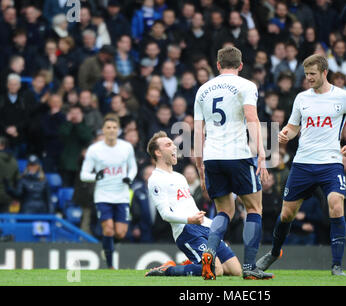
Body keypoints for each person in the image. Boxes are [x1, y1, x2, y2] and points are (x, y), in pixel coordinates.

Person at [256, 54, 346, 276]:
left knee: (336, 204)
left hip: (331, 163)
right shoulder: (301, 98)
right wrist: (285, 134)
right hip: (303, 164)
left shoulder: (343, 97)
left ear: (324, 73)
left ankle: (337, 265)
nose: (308, 78)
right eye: (307, 74)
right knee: (287, 214)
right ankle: (274, 252)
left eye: (312, 74)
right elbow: (293, 126)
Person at [193, 46, 270, 280]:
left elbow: (197, 131)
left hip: (212, 157)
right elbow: (251, 118)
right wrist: (261, 153)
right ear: (240, 65)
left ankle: (209, 253)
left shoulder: (203, 90)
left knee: (224, 210)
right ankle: (249, 268)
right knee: (254, 208)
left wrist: (200, 166)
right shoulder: (246, 86)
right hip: (237, 154)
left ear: (217, 65)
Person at [145, 131, 242, 278]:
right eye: (168, 145)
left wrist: (209, 223)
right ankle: (168, 270)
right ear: (158, 152)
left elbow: (189, 206)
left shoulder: (180, 177)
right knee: (216, 270)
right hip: (186, 230)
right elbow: (165, 215)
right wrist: (190, 220)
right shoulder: (156, 179)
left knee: (236, 271)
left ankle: (191, 265)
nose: (174, 147)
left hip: (203, 225)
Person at [80, 114, 137, 269]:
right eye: (108, 128)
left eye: (114, 128)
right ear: (103, 130)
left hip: (122, 195)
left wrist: (129, 177)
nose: (111, 130)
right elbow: (84, 174)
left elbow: (133, 167)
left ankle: (109, 245)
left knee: (120, 233)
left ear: (118, 130)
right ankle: (110, 265)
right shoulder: (94, 150)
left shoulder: (126, 147)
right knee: (109, 228)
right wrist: (95, 176)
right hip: (103, 195)